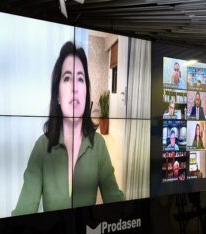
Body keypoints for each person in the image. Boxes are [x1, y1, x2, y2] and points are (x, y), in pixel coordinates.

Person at [12, 42, 124, 216]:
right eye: (67, 78)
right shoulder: (42, 147)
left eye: (80, 79)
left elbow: (116, 202)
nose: (74, 88)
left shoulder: (99, 145)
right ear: (57, 95)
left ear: (86, 92)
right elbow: (23, 212)